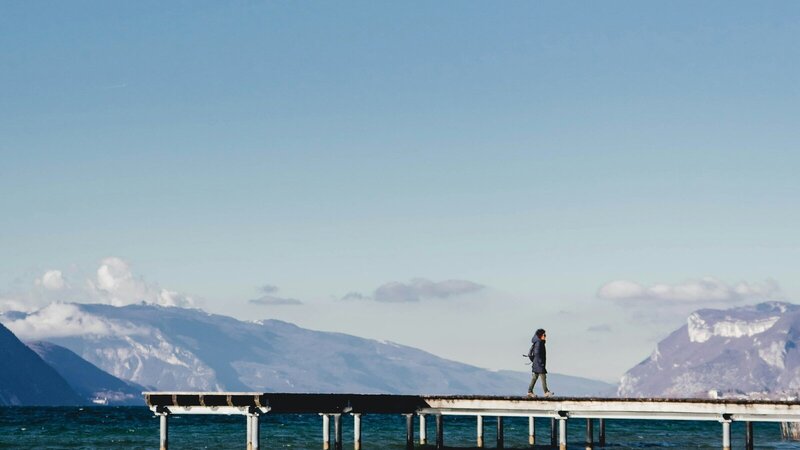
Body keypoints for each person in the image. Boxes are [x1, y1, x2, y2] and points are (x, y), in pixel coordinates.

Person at [527, 328, 554, 397]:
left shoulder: (539, 342)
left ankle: (530, 391)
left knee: (535, 377)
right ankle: (546, 392)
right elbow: (537, 353)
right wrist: (540, 362)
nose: (545, 336)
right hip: (539, 363)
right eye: (544, 335)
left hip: (537, 363)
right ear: (540, 336)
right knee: (543, 376)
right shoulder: (539, 343)